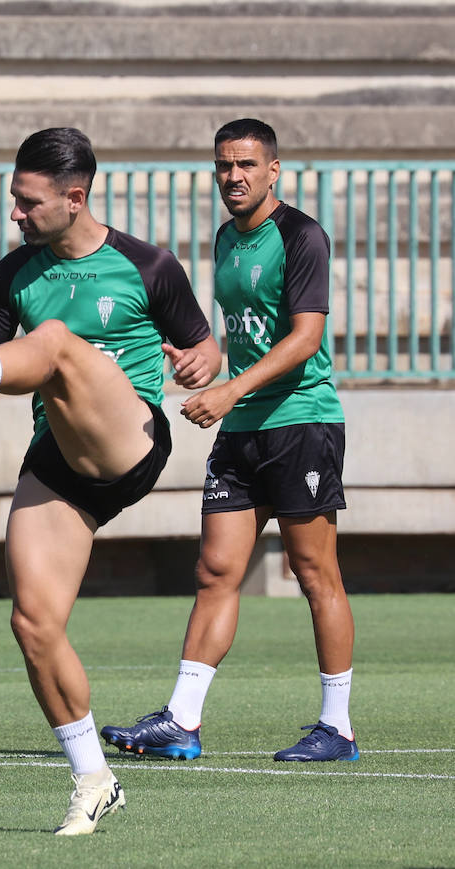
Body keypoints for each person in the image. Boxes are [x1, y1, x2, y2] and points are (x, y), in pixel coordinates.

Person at [0, 127, 220, 834]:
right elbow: (1, 360)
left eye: (28, 202)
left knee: (56, 344)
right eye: (15, 199)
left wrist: (202, 364)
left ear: (75, 199)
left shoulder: (149, 266)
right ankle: (93, 778)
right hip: (58, 458)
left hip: (128, 440)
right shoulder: (18, 272)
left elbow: (202, 345)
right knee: (34, 623)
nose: (15, 213)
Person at [100, 119, 356, 763]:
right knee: (215, 571)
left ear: (274, 170)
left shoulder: (302, 237)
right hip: (242, 428)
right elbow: (236, 336)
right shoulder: (225, 238)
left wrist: (230, 391)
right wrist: (201, 364)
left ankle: (338, 727)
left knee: (313, 572)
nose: (233, 177)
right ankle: (182, 721)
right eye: (223, 166)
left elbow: (303, 341)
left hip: (300, 421)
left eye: (245, 165)